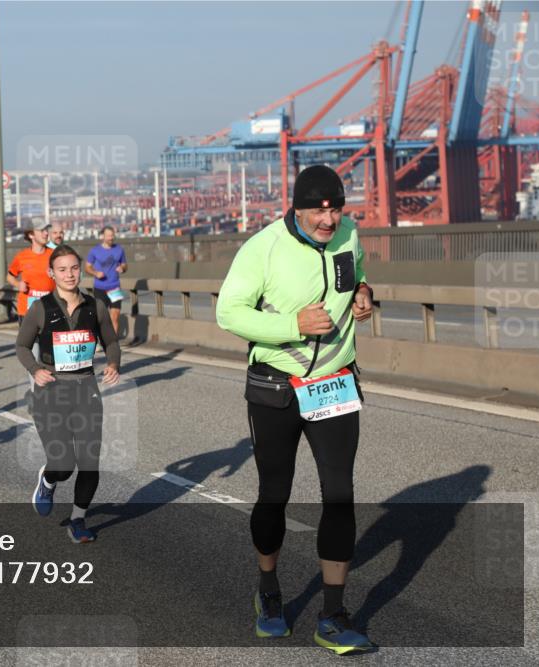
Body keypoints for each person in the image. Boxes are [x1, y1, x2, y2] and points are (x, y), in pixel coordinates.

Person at [216, 165, 375, 654]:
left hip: (333, 382)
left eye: (335, 209)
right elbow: (228, 311)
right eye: (317, 211)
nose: (328, 220)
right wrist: (293, 324)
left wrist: (365, 293)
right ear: (297, 208)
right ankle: (268, 589)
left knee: (340, 495)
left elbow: (357, 274)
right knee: (274, 495)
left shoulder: (349, 234)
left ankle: (333, 615)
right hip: (276, 388)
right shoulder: (261, 248)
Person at [17, 245, 120, 543]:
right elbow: (22, 346)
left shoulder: (95, 306)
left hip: (86, 390)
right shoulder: (41, 308)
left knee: (89, 462)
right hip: (51, 391)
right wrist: (35, 369)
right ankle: (49, 479)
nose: (69, 274)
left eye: (74, 268)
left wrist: (113, 363)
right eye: (62, 269)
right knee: (63, 465)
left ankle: (78, 520)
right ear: (52, 273)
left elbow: (111, 341)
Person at [7, 218, 55, 322]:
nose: (46, 233)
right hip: (27, 311)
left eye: (46, 230)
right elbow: (10, 277)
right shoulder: (22, 257)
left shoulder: (54, 255)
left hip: (50, 307)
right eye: (42, 230)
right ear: (31, 235)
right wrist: (18, 284)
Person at [86, 226, 128, 334]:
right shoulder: (95, 251)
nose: (111, 238)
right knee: (101, 317)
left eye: (112, 235)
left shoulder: (119, 249)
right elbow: (87, 267)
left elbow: (124, 265)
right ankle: (102, 339)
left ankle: (113, 341)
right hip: (100, 288)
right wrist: (96, 273)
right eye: (108, 235)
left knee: (115, 316)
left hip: (115, 287)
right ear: (102, 236)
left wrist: (122, 268)